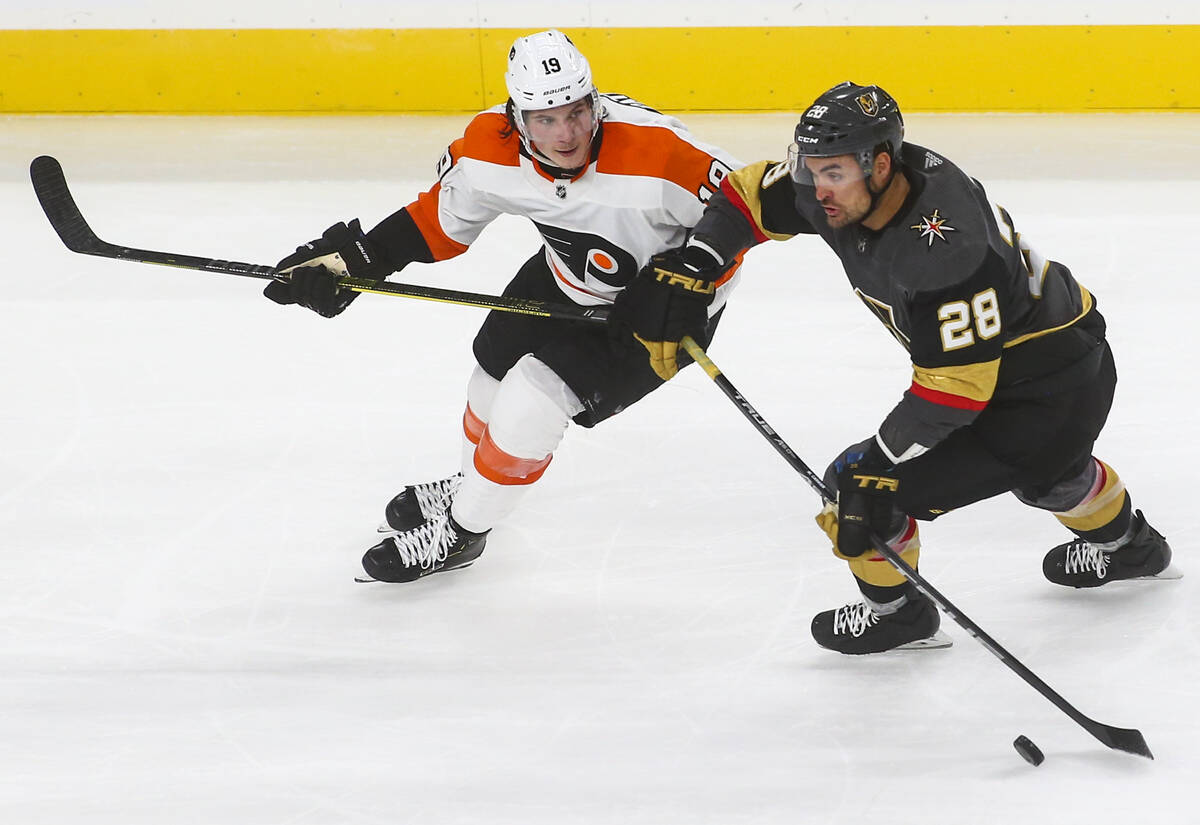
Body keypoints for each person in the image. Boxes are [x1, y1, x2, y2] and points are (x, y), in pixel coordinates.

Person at [611, 81, 1180, 654]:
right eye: (810, 170)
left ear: (880, 165)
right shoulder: (846, 182)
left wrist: (875, 466)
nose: (815, 190)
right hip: (1043, 357)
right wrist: (701, 262)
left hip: (1047, 392)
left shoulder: (946, 252)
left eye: (832, 173)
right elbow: (747, 195)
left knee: (859, 489)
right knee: (1050, 474)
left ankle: (898, 614)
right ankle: (1130, 547)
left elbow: (956, 393)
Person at [263, 29, 742, 582]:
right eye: (545, 119)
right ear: (517, 118)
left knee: (531, 400)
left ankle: (464, 532)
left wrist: (688, 284)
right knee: (490, 373)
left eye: (576, 112)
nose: (566, 134)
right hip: (567, 273)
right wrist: (355, 262)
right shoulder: (488, 148)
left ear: (595, 101)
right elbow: (439, 224)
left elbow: (743, 211)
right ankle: (473, 483)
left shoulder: (661, 153)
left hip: (657, 314)